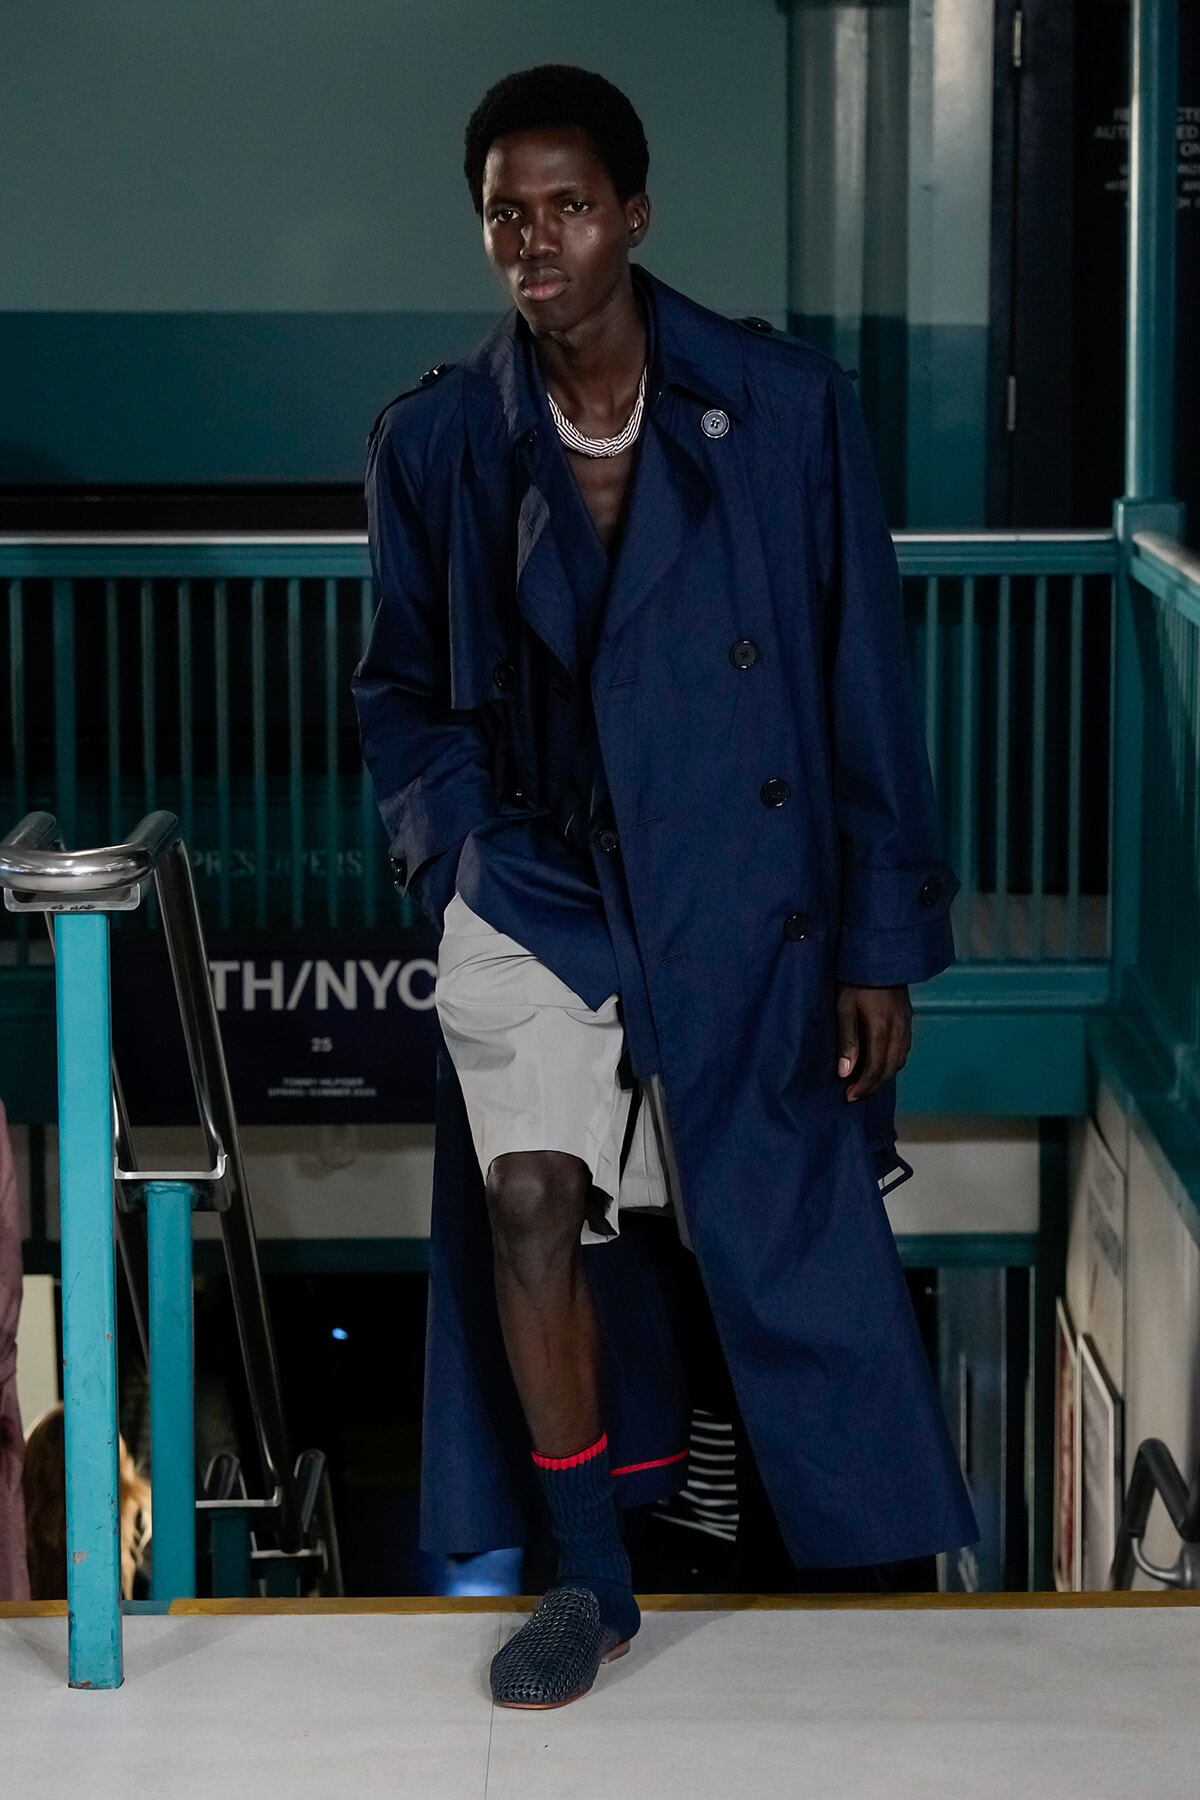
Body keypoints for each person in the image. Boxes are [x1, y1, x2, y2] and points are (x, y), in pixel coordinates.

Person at [354, 64, 978, 1709]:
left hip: (743, 877)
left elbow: (858, 683)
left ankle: (837, 1542)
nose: (535, 240)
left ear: (632, 212)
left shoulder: (781, 411)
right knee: (534, 1200)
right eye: (506, 212)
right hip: (538, 883)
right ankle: (588, 1580)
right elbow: (399, 689)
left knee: (743, 1219)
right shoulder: (436, 441)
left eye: (566, 205)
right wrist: (460, 846)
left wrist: (878, 937)